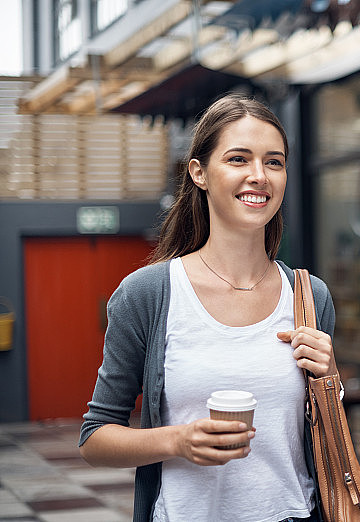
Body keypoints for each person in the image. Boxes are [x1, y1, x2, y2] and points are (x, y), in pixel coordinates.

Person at [79, 93, 338, 522]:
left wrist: (330, 378)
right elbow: (94, 440)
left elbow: (318, 433)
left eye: (274, 162)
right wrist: (178, 441)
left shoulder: (310, 297)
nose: (259, 176)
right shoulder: (148, 294)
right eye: (239, 159)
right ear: (199, 173)